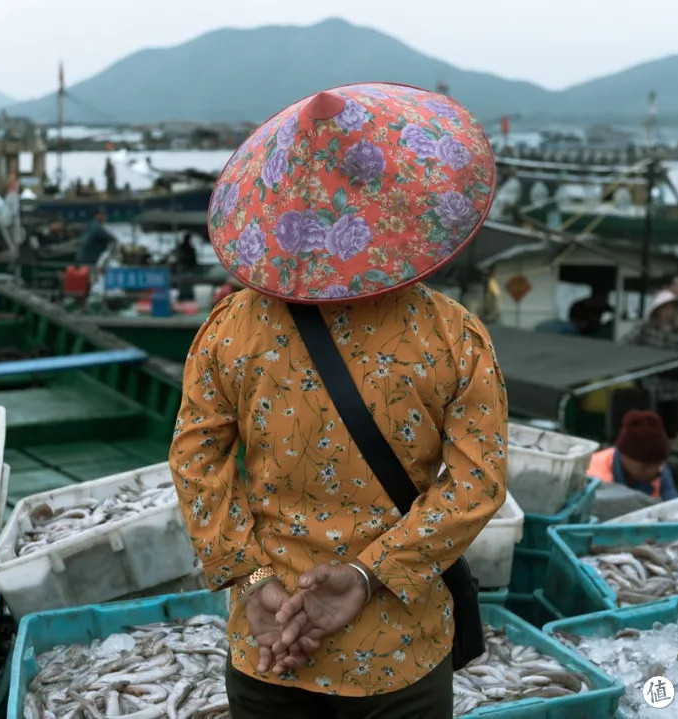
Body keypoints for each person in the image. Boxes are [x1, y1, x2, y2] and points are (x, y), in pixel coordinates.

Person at [168, 83, 509, 718]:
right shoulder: (451, 334)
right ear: (405, 200)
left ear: (279, 208)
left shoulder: (229, 330)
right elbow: (476, 482)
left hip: (269, 644)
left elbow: (196, 462)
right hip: (400, 654)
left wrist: (249, 579)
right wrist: (368, 573)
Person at [588, 410, 678, 500]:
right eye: (646, 466)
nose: (655, 470)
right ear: (624, 456)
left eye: (658, 463)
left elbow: (674, 506)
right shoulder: (592, 477)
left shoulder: (659, 471)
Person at [624, 288, 678, 353]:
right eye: (665, 308)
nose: (669, 312)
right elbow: (626, 343)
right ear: (657, 311)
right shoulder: (644, 328)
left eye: (672, 308)